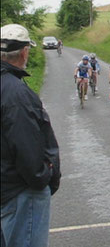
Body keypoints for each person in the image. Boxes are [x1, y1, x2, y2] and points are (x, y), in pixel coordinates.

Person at [1, 24, 61, 247]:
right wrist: (44, 176)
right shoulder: (17, 93)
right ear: (25, 51)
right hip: (20, 193)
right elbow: (26, 148)